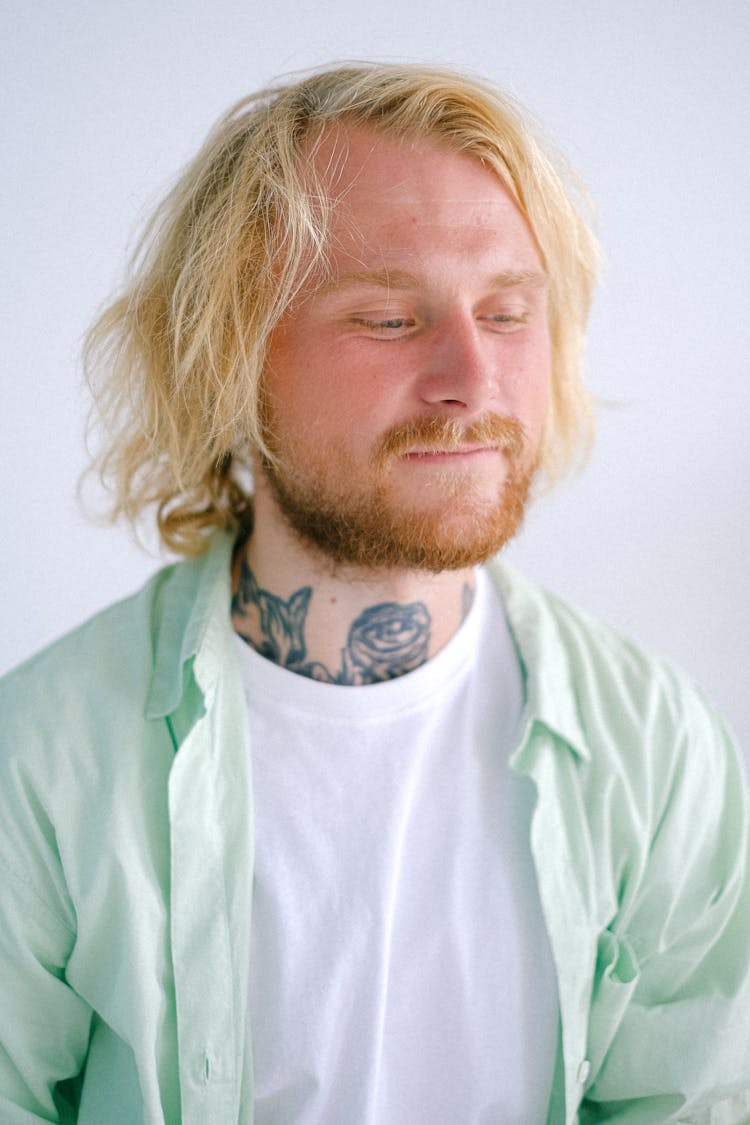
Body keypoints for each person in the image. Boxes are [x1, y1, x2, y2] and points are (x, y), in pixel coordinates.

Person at [0, 62, 748, 1125]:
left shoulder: (658, 751)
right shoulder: (40, 763)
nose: (473, 378)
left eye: (506, 313)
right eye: (390, 319)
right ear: (230, 362)